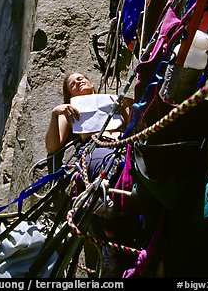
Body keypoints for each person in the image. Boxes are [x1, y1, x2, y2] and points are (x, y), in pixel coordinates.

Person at [44, 71, 135, 277]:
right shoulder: (71, 110)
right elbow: (52, 146)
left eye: (81, 78)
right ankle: (110, 244)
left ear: (92, 82)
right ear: (69, 95)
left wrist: (127, 109)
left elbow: (130, 129)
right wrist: (55, 113)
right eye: (72, 84)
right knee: (104, 173)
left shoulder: (111, 99)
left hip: (122, 143)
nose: (78, 81)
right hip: (96, 148)